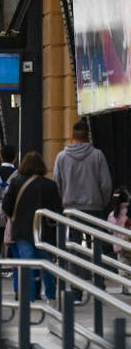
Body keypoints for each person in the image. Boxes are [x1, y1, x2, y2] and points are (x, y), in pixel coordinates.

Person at [54, 120, 112, 303]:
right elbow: (106, 184)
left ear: (72, 136)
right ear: (88, 136)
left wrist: (64, 201)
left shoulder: (61, 157)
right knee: (97, 248)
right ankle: (99, 286)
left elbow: (57, 183)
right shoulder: (98, 155)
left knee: (74, 248)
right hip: (94, 208)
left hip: (71, 209)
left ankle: (76, 290)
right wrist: (101, 202)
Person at [2, 151, 62, 303]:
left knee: (27, 263)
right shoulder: (50, 185)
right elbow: (58, 211)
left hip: (22, 229)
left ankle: (28, 297)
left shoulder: (16, 183)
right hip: (45, 231)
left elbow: (6, 206)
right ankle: (51, 295)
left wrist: (15, 217)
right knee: (46, 264)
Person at [107, 187, 131, 295]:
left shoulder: (112, 215)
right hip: (128, 244)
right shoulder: (128, 214)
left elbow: (109, 229)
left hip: (119, 246)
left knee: (122, 268)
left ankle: (124, 286)